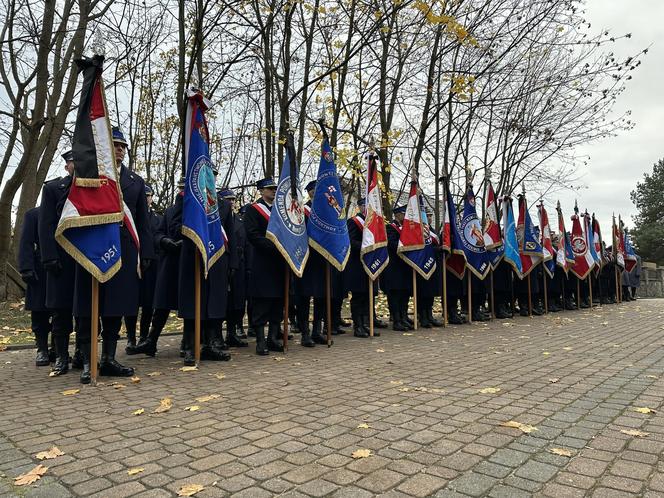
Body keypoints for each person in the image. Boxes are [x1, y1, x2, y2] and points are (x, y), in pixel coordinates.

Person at [72, 127, 155, 383]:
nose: (119, 149)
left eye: (122, 146)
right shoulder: (88, 177)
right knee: (88, 308)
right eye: (114, 145)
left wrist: (147, 252)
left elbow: (142, 220)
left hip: (124, 251)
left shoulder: (135, 182)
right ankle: (87, 360)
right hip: (93, 249)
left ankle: (108, 358)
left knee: (114, 308)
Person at [174, 169, 237, 366]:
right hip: (193, 258)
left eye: (213, 175)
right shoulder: (186, 200)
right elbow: (175, 227)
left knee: (214, 303)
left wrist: (233, 262)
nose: (210, 178)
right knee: (194, 303)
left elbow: (231, 235)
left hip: (218, 259)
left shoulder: (223, 204)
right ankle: (192, 348)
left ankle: (211, 345)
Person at [128, 179, 184, 357]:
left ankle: (189, 342)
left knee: (187, 303)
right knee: (160, 304)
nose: (182, 192)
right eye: (181, 188)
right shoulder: (169, 212)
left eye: (148, 196)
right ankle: (149, 340)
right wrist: (164, 241)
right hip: (167, 263)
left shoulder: (197, 211)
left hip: (182, 262)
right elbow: (159, 233)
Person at [38, 151, 77, 376]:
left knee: (84, 312)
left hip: (85, 260)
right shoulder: (53, 189)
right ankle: (62, 357)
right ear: (66, 167)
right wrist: (49, 257)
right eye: (73, 162)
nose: (76, 165)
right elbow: (46, 225)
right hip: (60, 261)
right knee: (61, 313)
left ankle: (82, 354)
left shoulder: (92, 189)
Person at [243, 177, 287, 355]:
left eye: (275, 188)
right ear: (261, 191)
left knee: (278, 302)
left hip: (280, 263)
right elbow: (253, 235)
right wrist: (275, 246)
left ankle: (273, 338)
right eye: (269, 189)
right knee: (262, 303)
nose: (273, 191)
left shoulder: (280, 210)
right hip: (262, 262)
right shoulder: (254, 210)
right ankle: (260, 341)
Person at [125, 184, 162, 353]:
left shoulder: (158, 219)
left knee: (148, 304)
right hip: (133, 263)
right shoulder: (130, 218)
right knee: (131, 303)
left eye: (149, 195)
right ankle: (131, 338)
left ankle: (144, 337)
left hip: (151, 265)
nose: (147, 198)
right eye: (145, 195)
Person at [18, 207, 52, 366]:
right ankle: (42, 349)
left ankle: (59, 350)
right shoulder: (33, 215)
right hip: (40, 271)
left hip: (63, 269)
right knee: (39, 313)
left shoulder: (66, 213)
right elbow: (26, 242)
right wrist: (26, 268)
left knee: (62, 314)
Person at [345, 198, 380, 338]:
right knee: (358, 297)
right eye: (365, 205)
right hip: (357, 265)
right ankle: (358, 326)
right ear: (360, 207)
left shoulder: (374, 223)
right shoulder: (353, 221)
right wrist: (365, 246)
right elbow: (350, 241)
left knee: (368, 296)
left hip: (371, 264)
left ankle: (365, 324)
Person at [381, 205, 414, 331]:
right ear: (397, 215)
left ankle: (404, 316)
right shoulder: (390, 228)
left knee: (405, 294)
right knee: (395, 294)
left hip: (405, 267)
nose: (405, 217)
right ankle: (396, 320)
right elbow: (393, 244)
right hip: (394, 268)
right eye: (403, 214)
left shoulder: (406, 229)